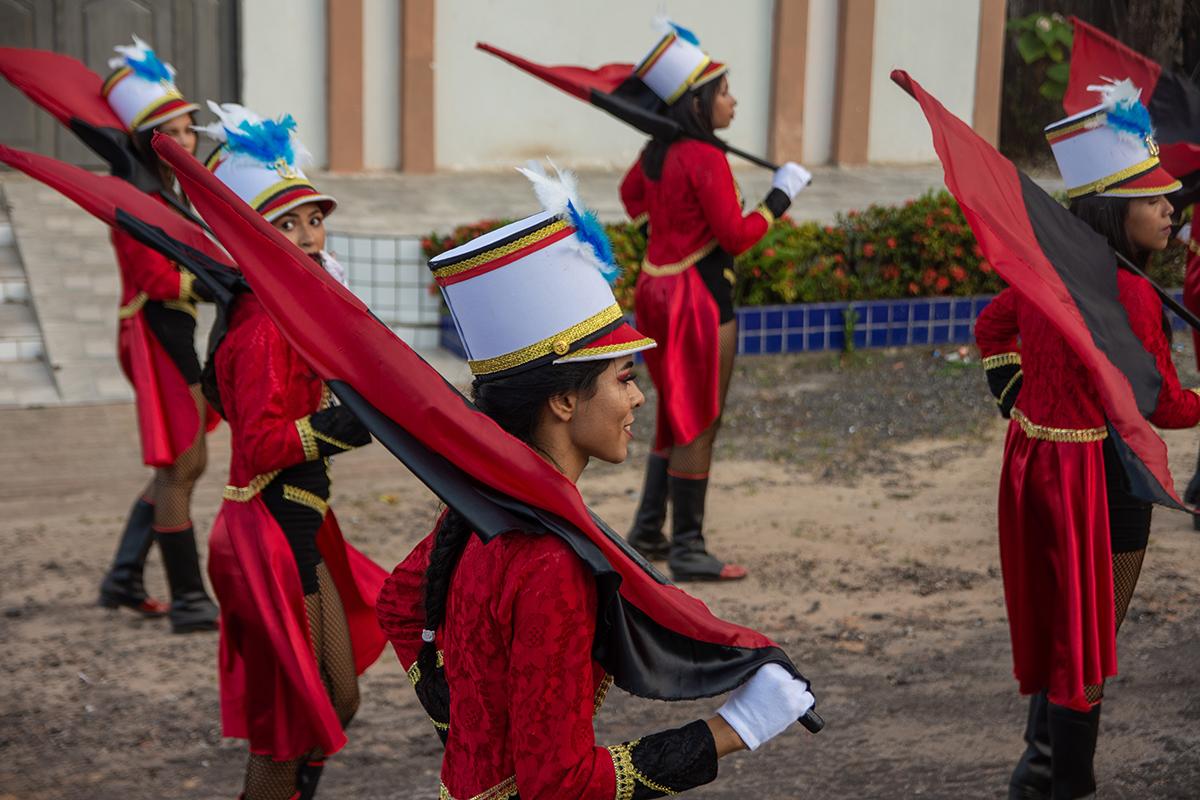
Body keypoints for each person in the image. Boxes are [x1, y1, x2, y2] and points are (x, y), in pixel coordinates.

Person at [374, 165, 816, 799]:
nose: (639, 398)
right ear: (562, 401)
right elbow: (558, 785)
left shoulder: (477, 507)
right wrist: (732, 727)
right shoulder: (552, 560)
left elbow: (399, 603)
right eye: (624, 378)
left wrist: (469, 728)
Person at [975, 80, 1200, 799]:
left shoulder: (1048, 268)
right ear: (1112, 208)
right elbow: (1161, 405)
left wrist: (1020, 401)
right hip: (1099, 481)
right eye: (1155, 199)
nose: (1173, 209)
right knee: (1090, 640)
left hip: (1035, 465)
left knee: (1065, 624)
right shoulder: (1131, 293)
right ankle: (1057, 781)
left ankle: (1040, 770)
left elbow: (990, 329)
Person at [196, 103, 387, 799]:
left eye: (314, 219)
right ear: (250, 238)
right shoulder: (258, 328)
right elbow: (259, 442)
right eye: (287, 223)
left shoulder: (292, 313)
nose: (309, 236)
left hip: (300, 528)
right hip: (264, 539)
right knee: (286, 736)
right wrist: (345, 424)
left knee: (337, 700)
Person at [618, 20, 811, 581]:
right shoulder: (703, 157)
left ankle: (650, 531)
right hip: (696, 299)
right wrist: (780, 196)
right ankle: (689, 547)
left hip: (656, 288)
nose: (733, 100)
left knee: (675, 413)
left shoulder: (660, 148)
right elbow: (737, 236)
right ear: (698, 103)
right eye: (723, 91)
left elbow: (632, 201)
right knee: (699, 418)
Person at [97, 36, 219, 632]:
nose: (187, 140)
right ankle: (189, 599)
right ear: (146, 138)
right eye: (174, 130)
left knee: (186, 461)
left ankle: (124, 576)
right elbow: (159, 279)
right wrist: (225, 282)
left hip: (175, 330)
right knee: (182, 462)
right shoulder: (136, 196)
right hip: (153, 332)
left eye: (190, 130)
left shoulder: (167, 191)